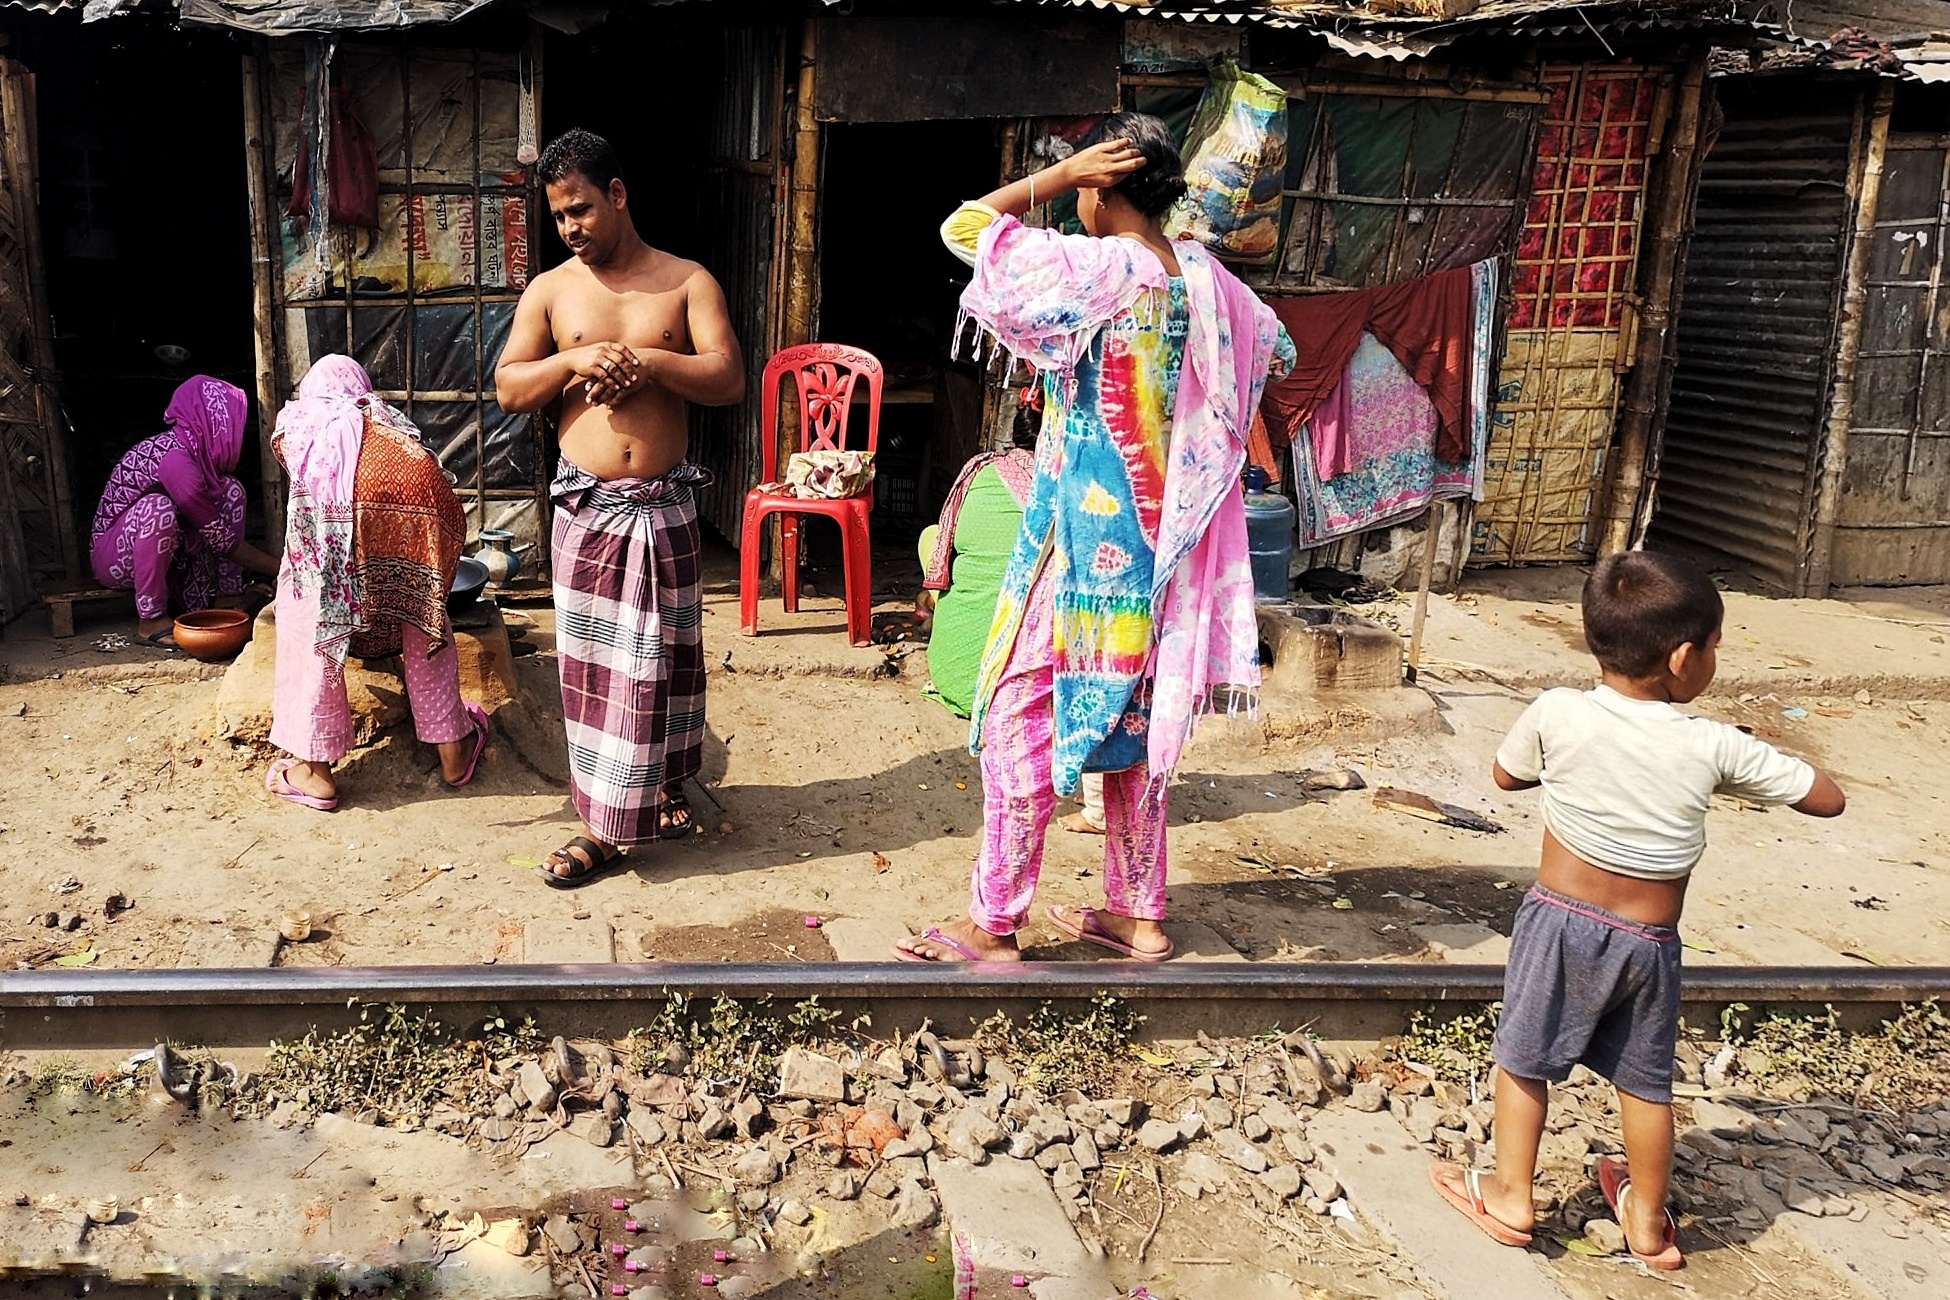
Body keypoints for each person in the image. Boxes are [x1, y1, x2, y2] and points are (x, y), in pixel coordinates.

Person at [894, 114, 1292, 963]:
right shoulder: (1211, 285)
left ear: (1102, 187)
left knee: (1016, 714)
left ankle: (994, 920)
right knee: (1142, 734)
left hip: (1081, 547)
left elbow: (964, 227)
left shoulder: (1100, 269)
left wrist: (1055, 172)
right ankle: (1138, 915)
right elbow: (1278, 350)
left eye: (1081, 184)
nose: (1074, 197)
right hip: (1170, 555)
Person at [1431, 551, 1846, 1268]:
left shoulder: (1557, 711)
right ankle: (1648, 1223)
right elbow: (1828, 797)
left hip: (1559, 922)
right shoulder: (1711, 743)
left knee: (1523, 1061)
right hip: (1650, 942)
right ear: (1684, 658)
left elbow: (1506, 774)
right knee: (1644, 1083)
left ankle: (1510, 1196)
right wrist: (1738, 766)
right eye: (1716, 648)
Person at [494, 128, 744, 886]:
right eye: (559, 217)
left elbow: (729, 377)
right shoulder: (550, 291)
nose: (570, 228)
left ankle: (661, 789)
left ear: (618, 195)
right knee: (600, 673)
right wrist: (572, 360)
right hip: (589, 513)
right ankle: (602, 826)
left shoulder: (686, 282)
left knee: (665, 663)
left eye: (580, 210)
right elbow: (508, 389)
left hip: (662, 509)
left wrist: (654, 365)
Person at [262, 356, 488, 811]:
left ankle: (314, 770)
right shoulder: (390, 429)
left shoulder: (301, 425)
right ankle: (452, 748)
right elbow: (446, 511)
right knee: (421, 610)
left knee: (311, 610)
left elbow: (320, 539)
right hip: (418, 496)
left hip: (349, 510)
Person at [89, 376, 279, 646]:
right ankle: (151, 618)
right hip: (115, 560)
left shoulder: (196, 457)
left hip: (170, 556)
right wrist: (281, 568)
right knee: (158, 509)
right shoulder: (174, 458)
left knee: (231, 491)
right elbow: (220, 539)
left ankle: (227, 596)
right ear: (215, 422)